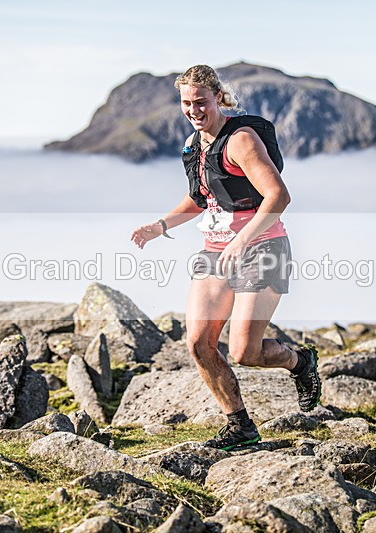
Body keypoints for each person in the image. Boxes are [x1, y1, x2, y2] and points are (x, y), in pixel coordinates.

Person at [130, 64, 320, 450]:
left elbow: (278, 196)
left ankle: (300, 363)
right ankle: (240, 425)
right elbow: (202, 198)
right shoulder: (194, 144)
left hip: (263, 248)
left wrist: (243, 239)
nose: (193, 110)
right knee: (199, 342)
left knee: (244, 352)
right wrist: (160, 226)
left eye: (200, 102)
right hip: (215, 251)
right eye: (186, 103)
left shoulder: (242, 141)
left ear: (218, 97)